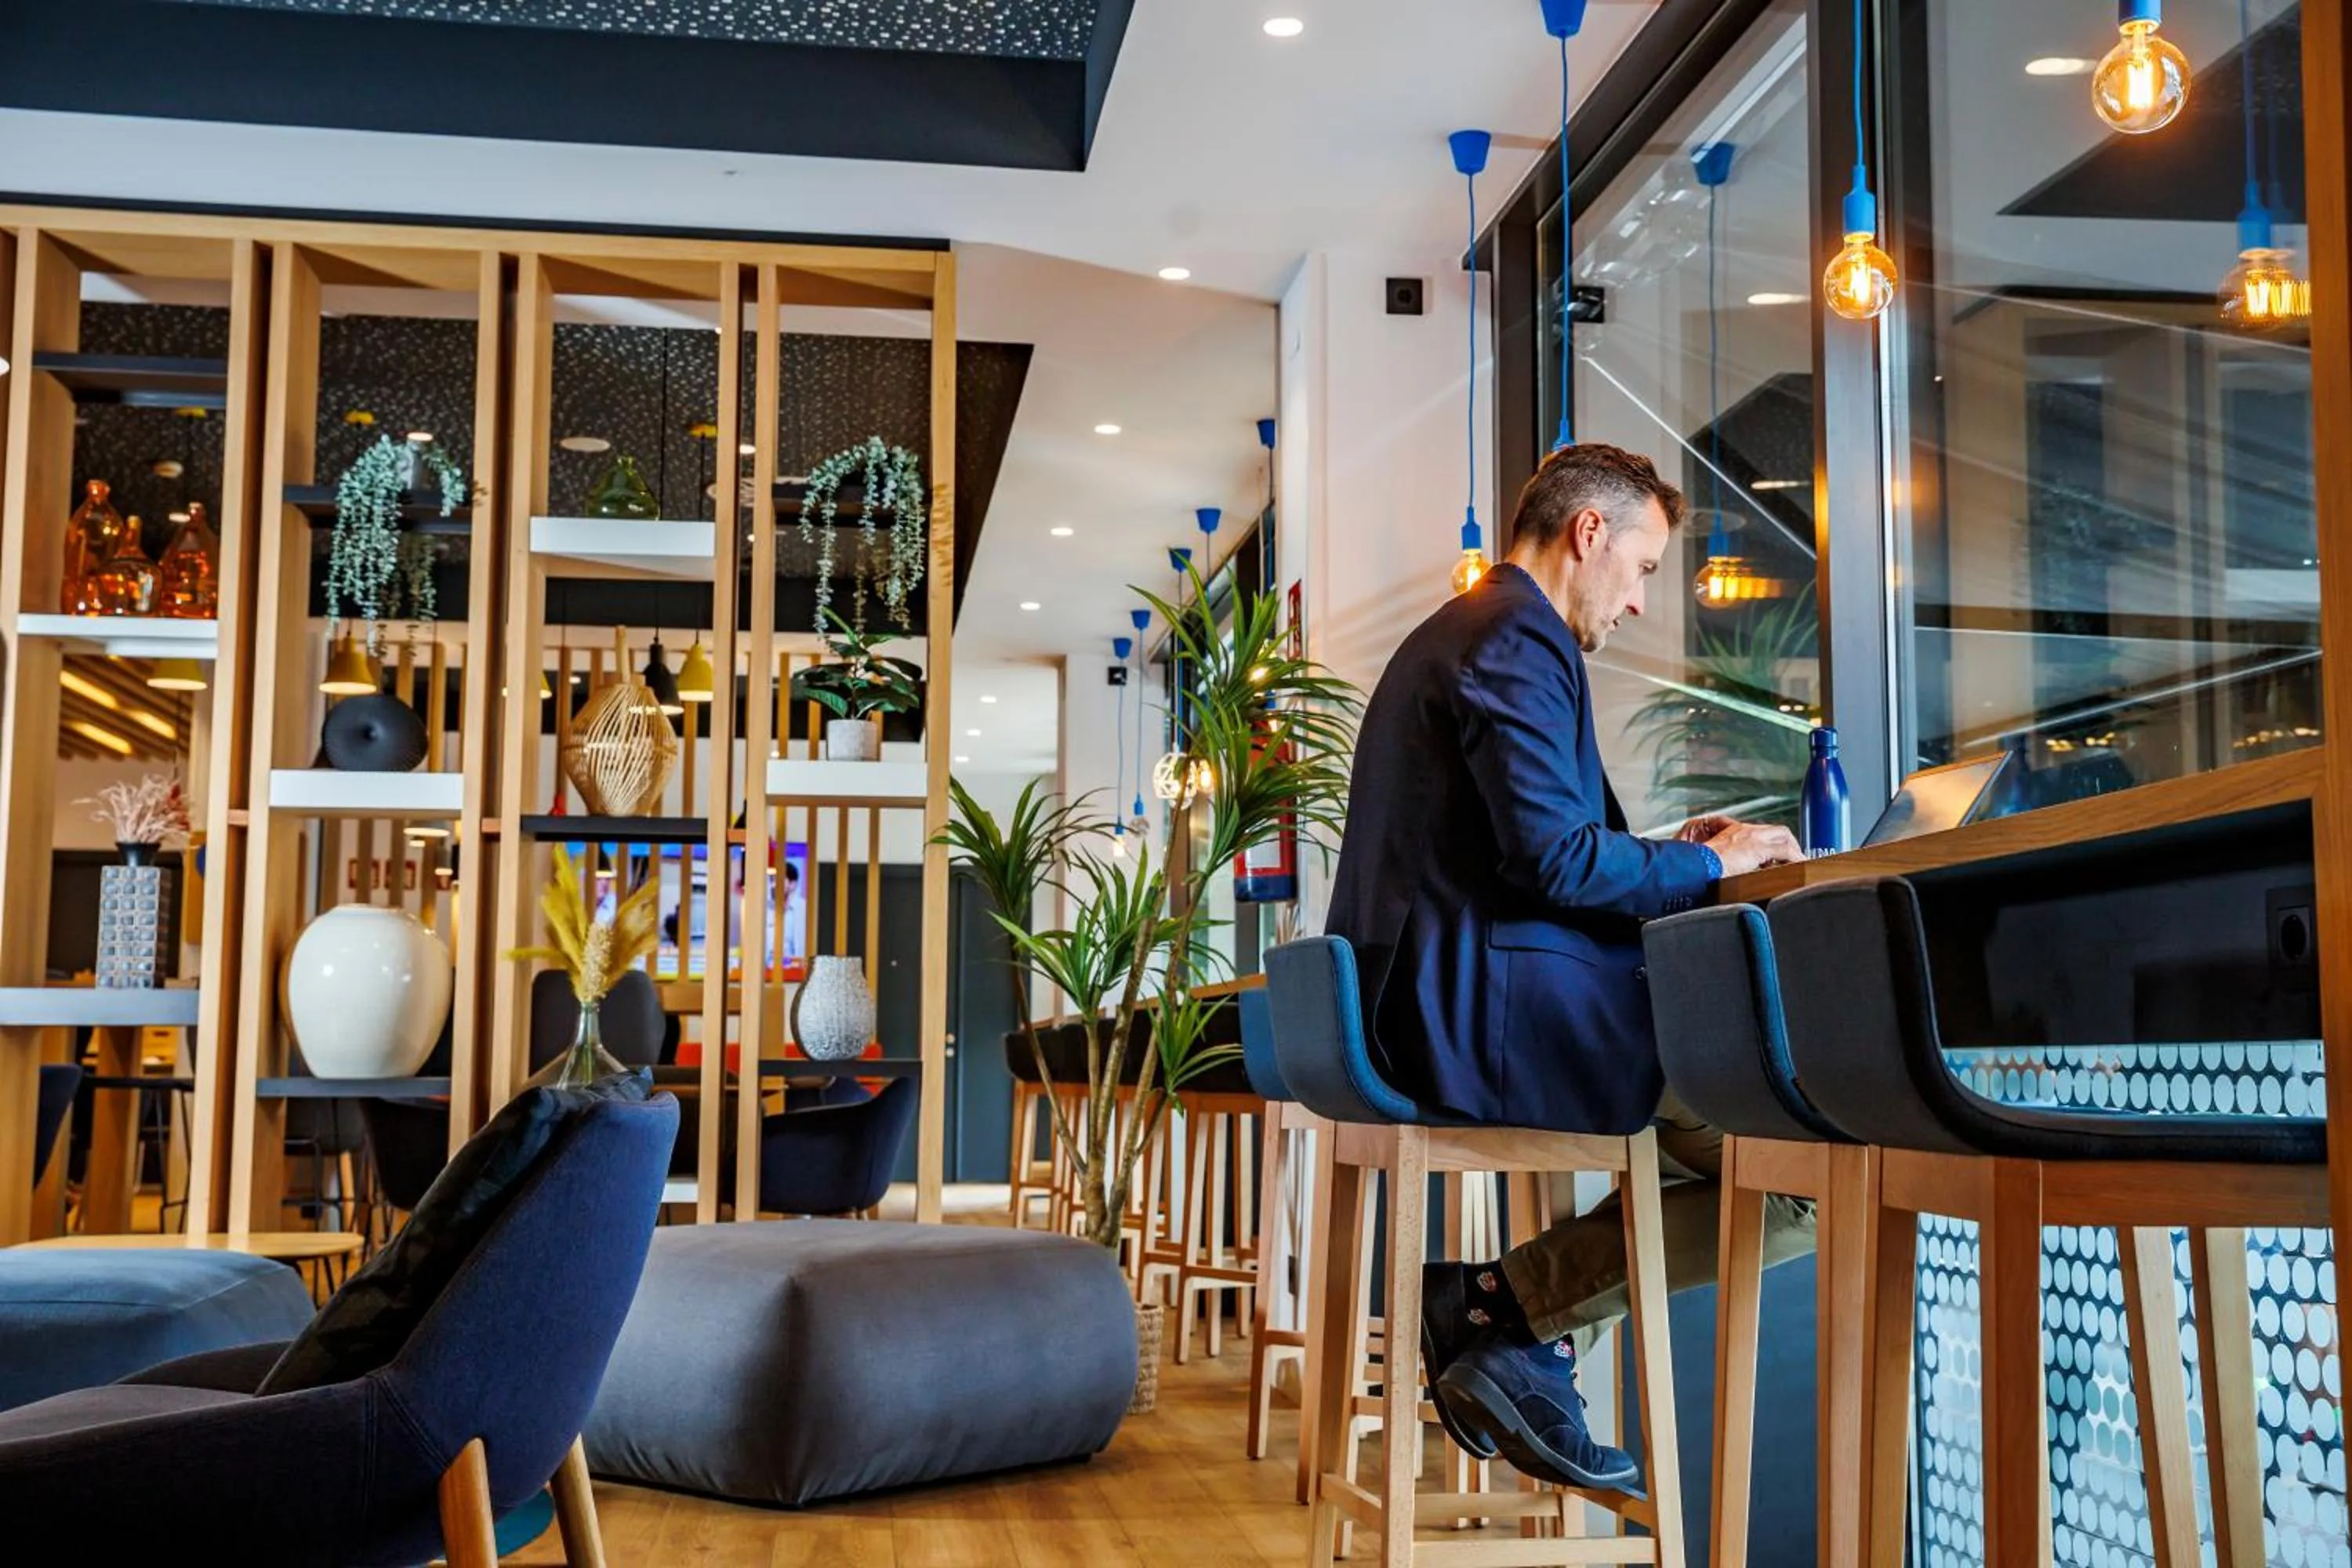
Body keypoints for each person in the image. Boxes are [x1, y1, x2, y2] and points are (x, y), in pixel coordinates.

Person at [1324, 441, 1813, 1494]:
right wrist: (1711, 863)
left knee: (1733, 1152)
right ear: (1590, 534)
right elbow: (1553, 862)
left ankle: (1511, 1331)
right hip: (1472, 1013)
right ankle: (1508, 1314)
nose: (1640, 602)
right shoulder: (1515, 638)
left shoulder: (1472, 631)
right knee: (1806, 1176)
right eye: (1643, 569)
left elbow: (1532, 849)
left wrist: (1682, 845)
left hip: (1436, 997)